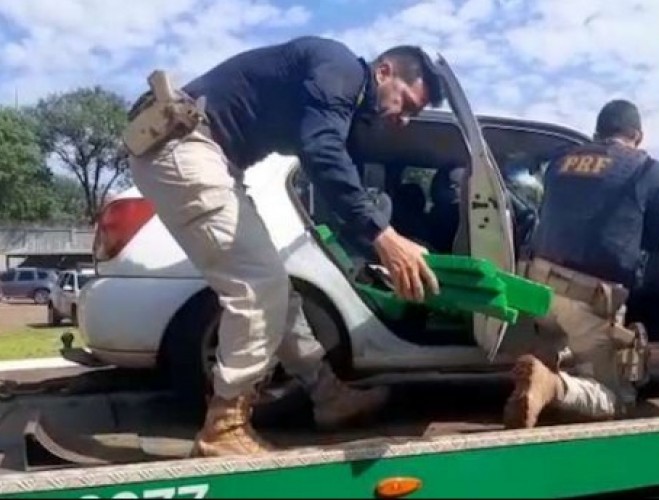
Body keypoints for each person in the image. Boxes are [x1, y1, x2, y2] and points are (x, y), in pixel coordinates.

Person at [123, 36, 445, 457]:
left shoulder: (339, 99)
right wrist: (385, 237)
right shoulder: (340, 67)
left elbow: (333, 185)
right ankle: (224, 425)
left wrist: (379, 254)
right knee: (259, 286)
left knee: (281, 294)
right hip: (183, 146)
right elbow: (322, 152)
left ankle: (329, 396)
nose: (405, 119)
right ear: (384, 71)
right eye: (407, 103)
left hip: (206, 155)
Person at [503, 99, 659, 429]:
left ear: (597, 132)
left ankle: (549, 363)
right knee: (618, 399)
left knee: (570, 335)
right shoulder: (651, 172)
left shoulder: (559, 162)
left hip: (537, 290)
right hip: (587, 299)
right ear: (638, 136)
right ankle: (551, 385)